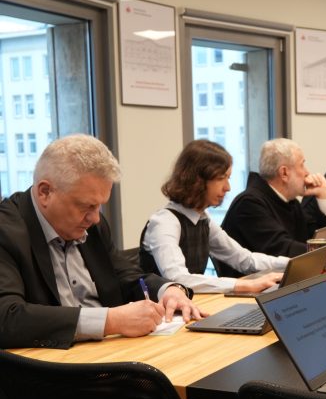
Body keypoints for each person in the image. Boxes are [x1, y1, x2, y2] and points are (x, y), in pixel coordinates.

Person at [0, 134, 202, 350]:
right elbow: (7, 317)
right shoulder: (6, 230)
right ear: (45, 192)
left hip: (105, 353)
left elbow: (124, 275)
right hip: (46, 367)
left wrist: (168, 290)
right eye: (86, 206)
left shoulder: (91, 224)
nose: (95, 218)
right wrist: (111, 320)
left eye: (99, 206)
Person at [139, 139, 286, 295]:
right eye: (221, 178)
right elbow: (179, 278)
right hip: (161, 314)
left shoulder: (203, 219)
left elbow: (244, 259)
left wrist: (291, 264)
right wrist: (242, 285)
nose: (227, 187)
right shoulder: (164, 222)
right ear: (197, 180)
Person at [220, 138, 326, 274]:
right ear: (284, 173)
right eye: (302, 165)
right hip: (246, 293)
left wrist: (325, 199)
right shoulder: (249, 203)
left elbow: (314, 241)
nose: (307, 172)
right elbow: (284, 249)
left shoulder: (290, 202)